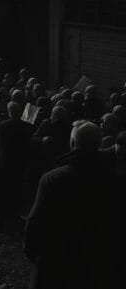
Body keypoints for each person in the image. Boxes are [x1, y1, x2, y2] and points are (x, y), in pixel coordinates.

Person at [24, 121, 120, 289]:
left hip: (56, 259)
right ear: (99, 143)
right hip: (95, 263)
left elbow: (36, 219)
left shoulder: (53, 178)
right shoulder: (114, 180)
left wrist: (32, 251)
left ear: (73, 143)